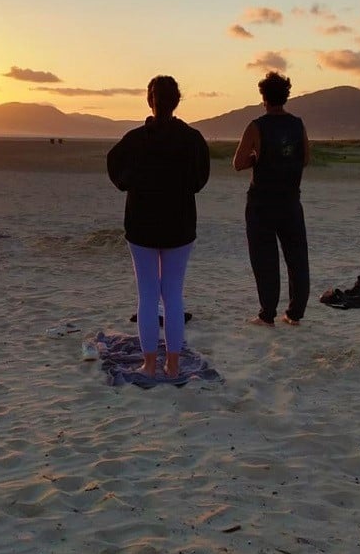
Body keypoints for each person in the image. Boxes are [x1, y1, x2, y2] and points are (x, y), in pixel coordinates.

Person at [107, 76, 210, 378]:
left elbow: (117, 171)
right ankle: (173, 364)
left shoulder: (136, 139)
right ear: (176, 101)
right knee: (173, 294)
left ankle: (150, 363)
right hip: (179, 226)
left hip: (142, 226)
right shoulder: (192, 139)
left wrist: (134, 183)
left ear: (150, 101)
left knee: (149, 295)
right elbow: (199, 180)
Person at [232, 71, 311, 326]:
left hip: (262, 202)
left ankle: (268, 314)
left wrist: (258, 157)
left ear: (263, 97)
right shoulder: (298, 124)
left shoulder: (257, 126)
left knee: (265, 258)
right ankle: (295, 313)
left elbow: (238, 162)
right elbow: (306, 158)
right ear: (286, 95)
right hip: (290, 199)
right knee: (297, 257)